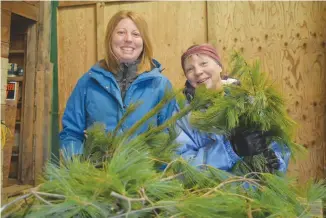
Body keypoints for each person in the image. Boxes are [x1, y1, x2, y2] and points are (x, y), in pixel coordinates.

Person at [59, 11, 175, 156]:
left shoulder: (161, 85)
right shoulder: (88, 83)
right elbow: (71, 133)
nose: (128, 39)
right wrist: (81, 170)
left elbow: (170, 139)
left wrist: (157, 175)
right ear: (110, 38)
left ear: (144, 41)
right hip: (96, 175)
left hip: (146, 176)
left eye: (136, 34)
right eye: (121, 32)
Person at [175, 44, 291, 173]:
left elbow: (278, 143)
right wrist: (231, 150)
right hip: (215, 192)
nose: (198, 72)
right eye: (190, 69)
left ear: (219, 66)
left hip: (257, 190)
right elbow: (183, 168)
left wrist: (275, 162)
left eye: (203, 63)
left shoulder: (249, 102)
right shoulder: (183, 117)